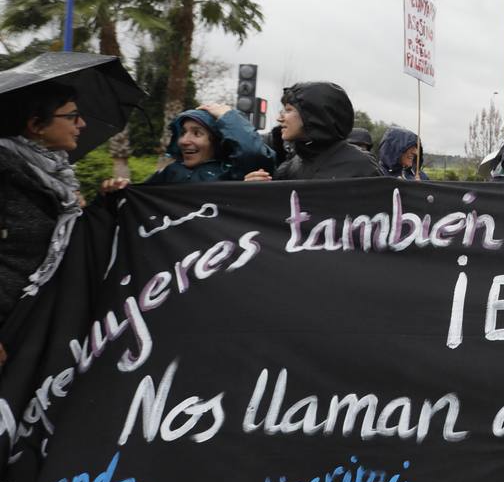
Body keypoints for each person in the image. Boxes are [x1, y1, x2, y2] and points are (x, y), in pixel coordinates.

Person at [0, 82, 85, 324]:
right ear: (36, 125)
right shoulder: (5, 171)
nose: (81, 124)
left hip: (35, 320)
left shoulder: (56, 176)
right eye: (72, 117)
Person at [104, 103, 274, 188]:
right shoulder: (170, 174)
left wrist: (228, 116)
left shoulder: (234, 176)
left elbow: (253, 153)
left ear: (216, 141)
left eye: (197, 133)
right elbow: (135, 203)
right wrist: (115, 193)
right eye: (183, 132)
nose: (184, 141)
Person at [244, 82, 381, 181]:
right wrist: (255, 190)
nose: (280, 118)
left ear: (313, 115)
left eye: (288, 110)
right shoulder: (290, 168)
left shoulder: (362, 166)